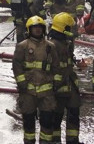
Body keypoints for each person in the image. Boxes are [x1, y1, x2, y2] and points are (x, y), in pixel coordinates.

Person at [13, 16, 59, 144]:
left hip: (47, 92)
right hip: (28, 91)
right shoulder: (22, 46)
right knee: (28, 122)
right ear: (29, 30)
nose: (37, 30)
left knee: (47, 121)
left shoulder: (50, 47)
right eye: (35, 28)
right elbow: (16, 66)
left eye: (40, 27)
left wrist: (55, 83)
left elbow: (56, 67)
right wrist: (21, 83)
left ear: (43, 29)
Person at [49, 13, 81, 144]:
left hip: (69, 83)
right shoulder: (52, 45)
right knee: (57, 115)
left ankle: (72, 140)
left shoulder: (65, 43)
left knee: (74, 111)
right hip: (58, 86)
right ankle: (56, 140)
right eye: (70, 28)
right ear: (63, 29)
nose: (72, 31)